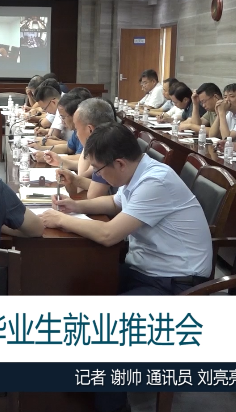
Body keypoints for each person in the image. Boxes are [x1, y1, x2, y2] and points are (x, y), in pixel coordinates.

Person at [40, 123, 213, 293]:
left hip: (175, 281)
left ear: (120, 164)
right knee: (73, 280)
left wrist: (61, 219)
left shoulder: (155, 181)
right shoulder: (136, 170)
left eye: (98, 169)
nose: (97, 175)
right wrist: (76, 205)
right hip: (145, 268)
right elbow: (115, 203)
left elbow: (108, 234)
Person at [56, 99, 119, 199]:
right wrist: (73, 179)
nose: (76, 135)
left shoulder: (107, 149)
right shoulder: (106, 141)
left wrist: (86, 145)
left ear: (90, 130)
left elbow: (92, 194)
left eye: (77, 129)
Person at [34, 91, 89, 169]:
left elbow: (81, 158)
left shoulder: (87, 130)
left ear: (76, 115)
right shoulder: (76, 129)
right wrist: (40, 148)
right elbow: (69, 148)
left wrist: (50, 158)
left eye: (63, 117)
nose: (62, 121)